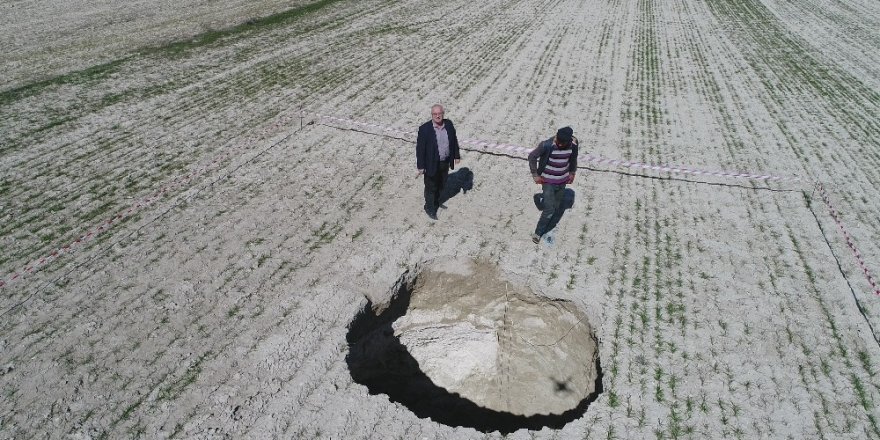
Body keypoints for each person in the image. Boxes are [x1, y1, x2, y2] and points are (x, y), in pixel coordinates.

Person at [528, 126, 578, 243]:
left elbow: (574, 159)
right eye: (558, 142)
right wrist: (535, 175)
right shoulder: (546, 145)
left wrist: (572, 173)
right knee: (549, 210)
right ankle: (538, 233)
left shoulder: (574, 145)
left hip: (562, 181)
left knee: (556, 206)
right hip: (548, 181)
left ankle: (550, 217)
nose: (559, 145)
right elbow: (532, 156)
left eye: (563, 143)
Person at [416, 104, 461, 219]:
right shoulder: (424, 129)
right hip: (431, 163)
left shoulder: (449, 125)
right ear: (432, 115)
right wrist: (421, 166)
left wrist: (456, 155)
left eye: (439, 113)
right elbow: (420, 149)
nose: (437, 116)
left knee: (441, 184)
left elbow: (454, 141)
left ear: (443, 114)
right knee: (431, 186)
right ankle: (430, 208)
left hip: (444, 162)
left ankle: (436, 202)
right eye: (435, 114)